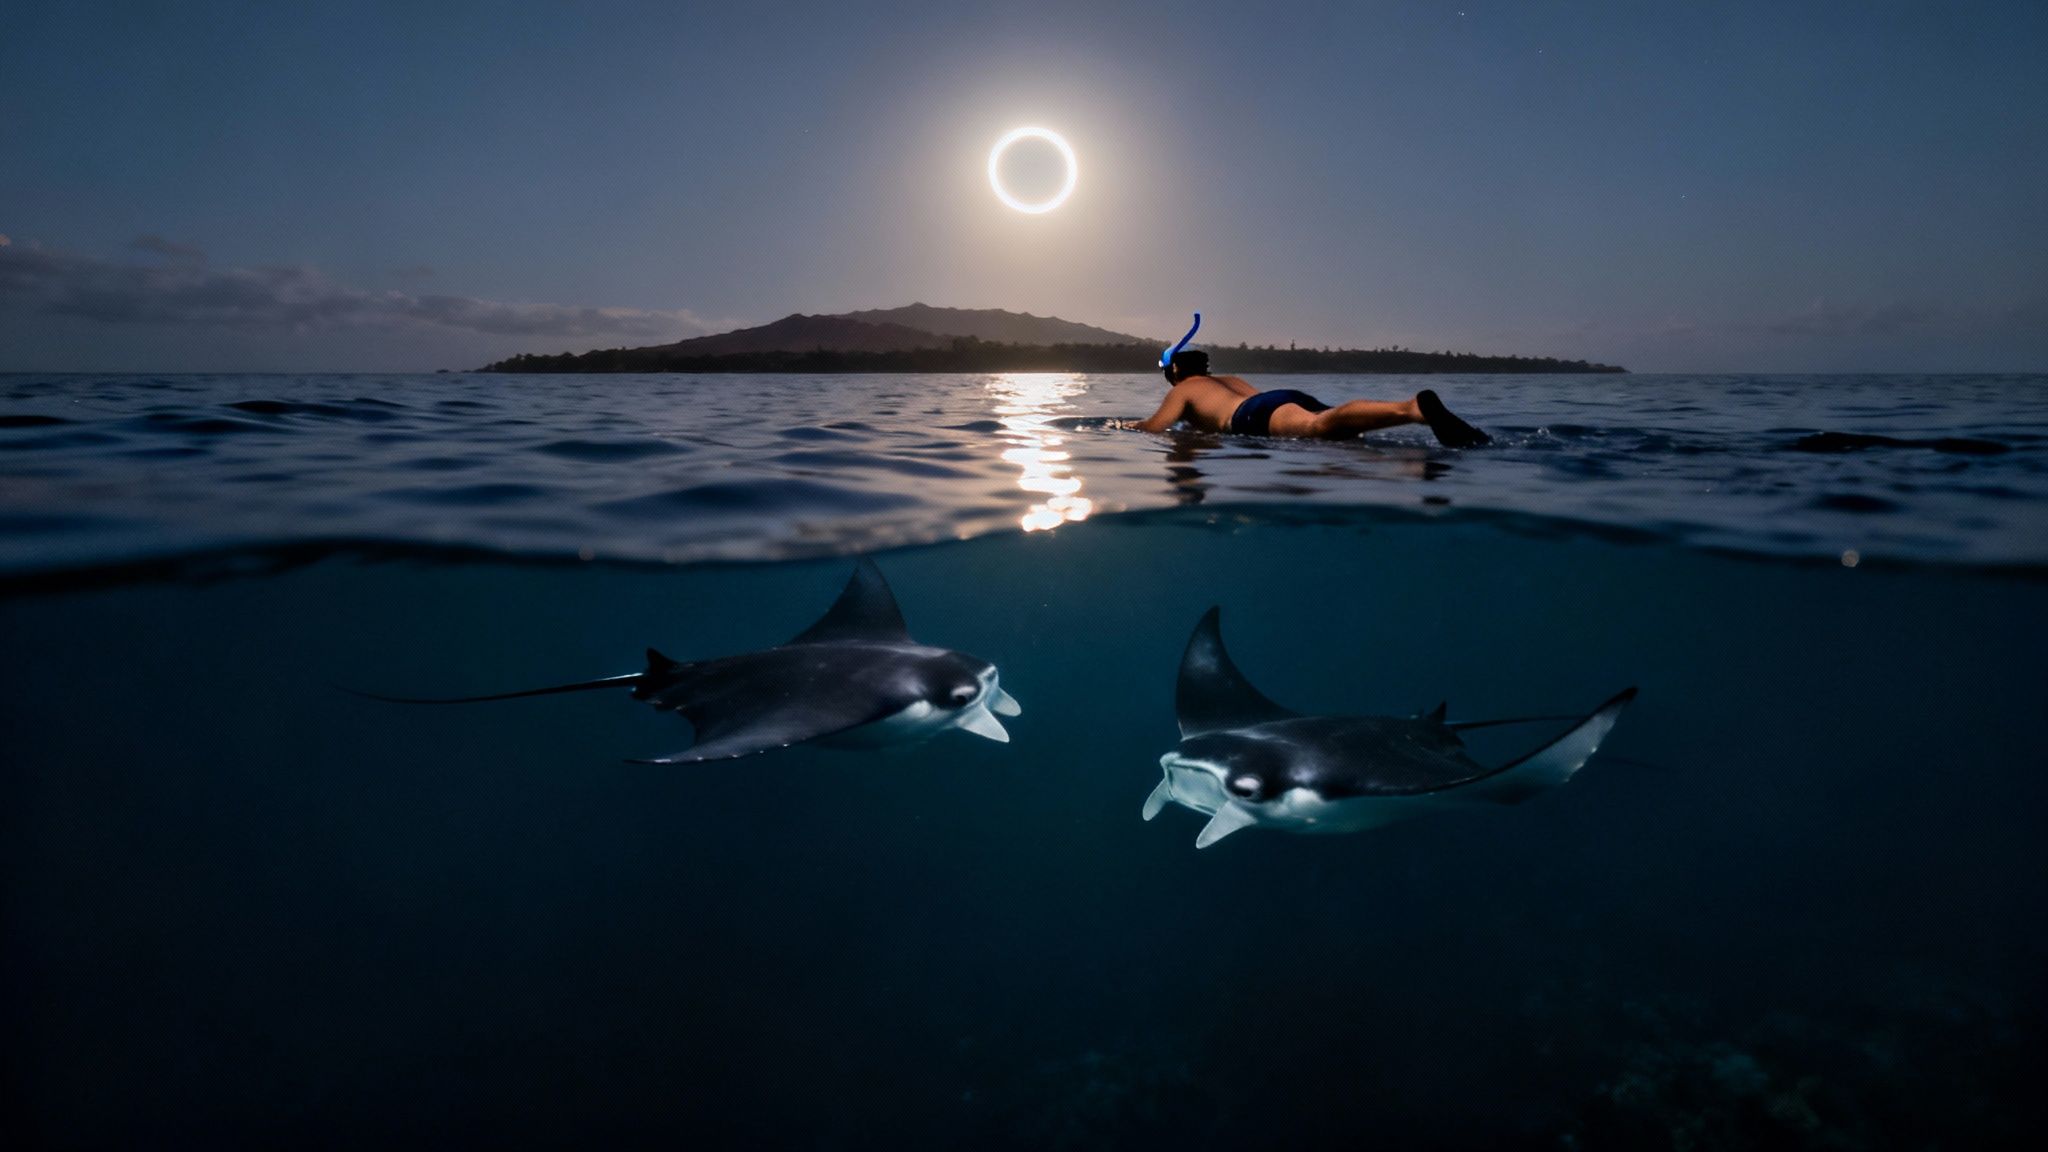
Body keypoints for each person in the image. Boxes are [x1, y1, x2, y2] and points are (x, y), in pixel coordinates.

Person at [1132, 348, 1492, 447]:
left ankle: (1412, 409)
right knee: (1335, 429)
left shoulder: (1183, 388)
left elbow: (1156, 428)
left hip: (1251, 416)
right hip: (1278, 398)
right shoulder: (1230, 379)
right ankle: (1417, 464)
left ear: (1175, 371)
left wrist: (1125, 426)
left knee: (1319, 427)